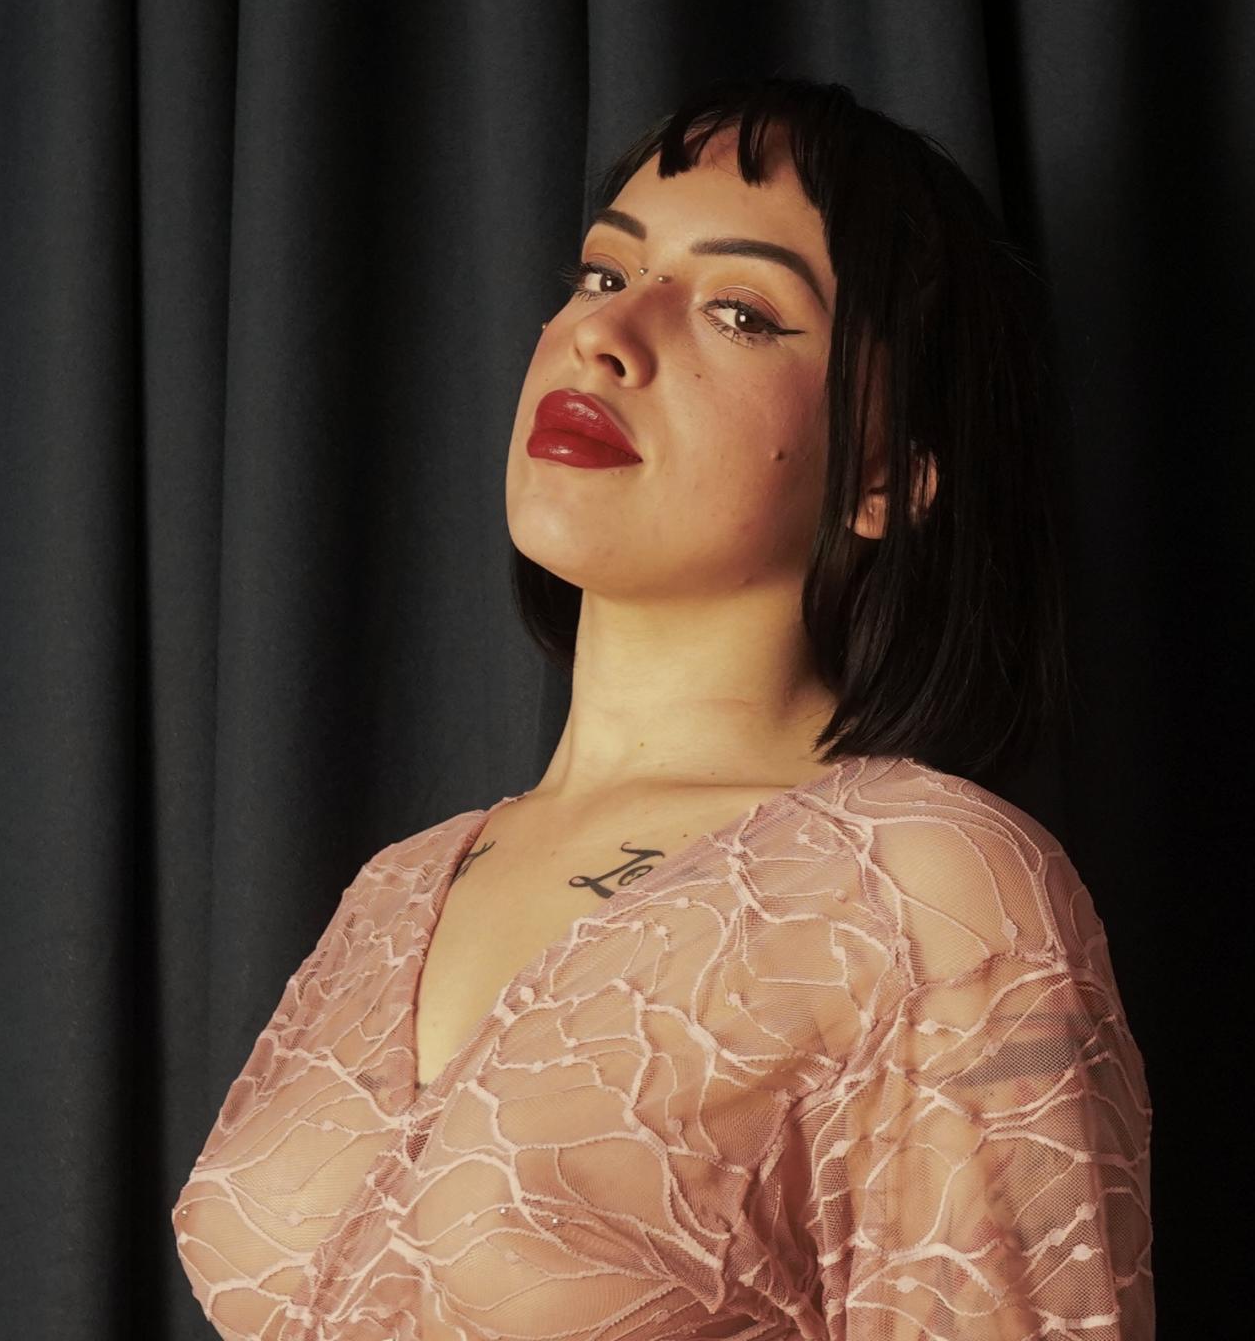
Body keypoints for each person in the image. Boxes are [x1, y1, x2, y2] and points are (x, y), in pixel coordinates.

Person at [173, 76, 1153, 1339]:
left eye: (740, 311)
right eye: (602, 273)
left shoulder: (933, 891)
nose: (607, 334)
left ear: (882, 475)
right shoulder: (398, 887)